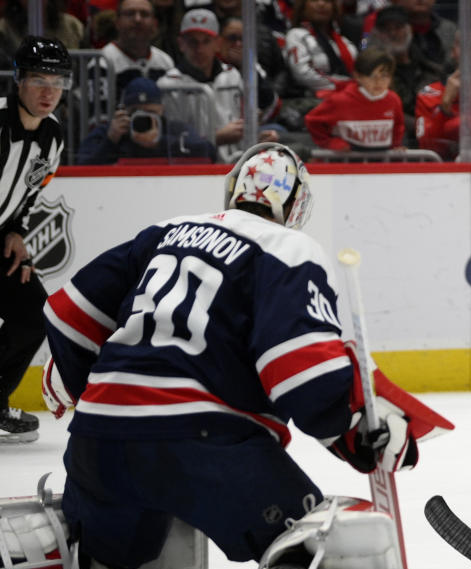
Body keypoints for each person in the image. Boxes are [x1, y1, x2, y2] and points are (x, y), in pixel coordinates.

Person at [1, 142, 451, 569]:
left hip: (96, 446)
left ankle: (102, 561)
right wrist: (356, 430)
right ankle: (298, 565)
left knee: (113, 566)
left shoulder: (164, 231)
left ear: (233, 189)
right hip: (200, 447)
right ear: (296, 205)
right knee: (342, 541)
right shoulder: (288, 247)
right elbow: (300, 369)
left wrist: (78, 384)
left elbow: (68, 314)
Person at [0, 36, 71, 444]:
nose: (49, 91)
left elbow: (31, 193)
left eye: (58, 81)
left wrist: (17, 232)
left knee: (34, 315)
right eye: (40, 79)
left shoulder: (53, 137)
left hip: (1, 240)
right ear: (18, 80)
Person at [158, 8, 277, 163]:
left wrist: (256, 137)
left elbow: (258, 113)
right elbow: (170, 144)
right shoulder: (167, 85)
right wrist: (216, 138)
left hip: (236, 165)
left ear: (218, 44)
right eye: (192, 41)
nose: (199, 49)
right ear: (181, 43)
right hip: (191, 170)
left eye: (206, 41)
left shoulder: (232, 76)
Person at [76, 77, 217, 164]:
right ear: (124, 109)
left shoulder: (175, 130)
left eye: (151, 112)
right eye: (135, 112)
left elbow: (209, 153)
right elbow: (81, 165)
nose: (143, 117)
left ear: (161, 110)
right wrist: (110, 140)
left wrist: (160, 143)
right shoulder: (111, 131)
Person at [365, 4, 442, 147]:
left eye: (398, 27)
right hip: (392, 147)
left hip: (432, 145)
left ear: (409, 30)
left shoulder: (432, 70)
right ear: (376, 35)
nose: (393, 33)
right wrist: (419, 126)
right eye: (386, 30)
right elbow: (378, 109)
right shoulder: (370, 75)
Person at [414, 21, 471, 159]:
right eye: (462, 46)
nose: (467, 53)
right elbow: (426, 145)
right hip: (440, 172)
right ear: (453, 52)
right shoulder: (429, 94)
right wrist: (445, 106)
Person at [304, 46, 404, 151]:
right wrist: (330, 142)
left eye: (384, 76)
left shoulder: (393, 100)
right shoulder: (340, 101)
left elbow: (398, 127)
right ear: (358, 76)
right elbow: (312, 121)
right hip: (345, 163)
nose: (378, 82)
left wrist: (396, 146)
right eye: (372, 76)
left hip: (381, 163)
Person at [283, 0, 358, 94]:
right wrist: (343, 85)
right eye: (314, 0)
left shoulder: (344, 41)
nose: (321, 4)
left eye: (327, 1)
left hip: (349, 96)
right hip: (312, 100)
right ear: (302, 7)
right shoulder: (296, 35)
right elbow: (302, 73)